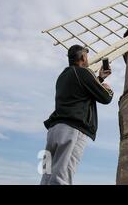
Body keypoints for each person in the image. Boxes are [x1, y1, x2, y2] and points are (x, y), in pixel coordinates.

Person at [40, 44, 114, 185]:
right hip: (72, 129)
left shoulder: (63, 75)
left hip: (54, 130)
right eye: (87, 56)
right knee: (63, 175)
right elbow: (105, 97)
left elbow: (83, 91)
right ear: (83, 57)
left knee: (47, 176)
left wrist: (100, 78)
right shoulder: (84, 73)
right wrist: (108, 89)